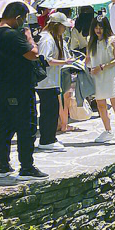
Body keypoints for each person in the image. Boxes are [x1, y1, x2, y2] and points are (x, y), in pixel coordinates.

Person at [0, 1, 46, 179]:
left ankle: (3, 165)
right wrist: (29, 38)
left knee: (4, 125)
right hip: (19, 86)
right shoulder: (12, 35)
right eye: (24, 19)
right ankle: (27, 166)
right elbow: (33, 55)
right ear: (18, 17)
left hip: (1, 85)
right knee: (26, 126)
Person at [36, 13, 73, 151]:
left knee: (52, 109)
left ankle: (50, 137)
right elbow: (45, 59)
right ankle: (46, 140)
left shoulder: (52, 38)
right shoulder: (47, 39)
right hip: (46, 82)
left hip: (51, 81)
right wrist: (65, 62)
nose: (64, 29)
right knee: (48, 110)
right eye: (63, 27)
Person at [88, 15, 115, 144]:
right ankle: (108, 130)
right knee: (100, 105)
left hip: (111, 75)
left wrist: (102, 67)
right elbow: (88, 59)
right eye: (96, 28)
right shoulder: (91, 41)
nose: (98, 30)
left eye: (101, 28)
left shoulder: (113, 40)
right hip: (97, 77)